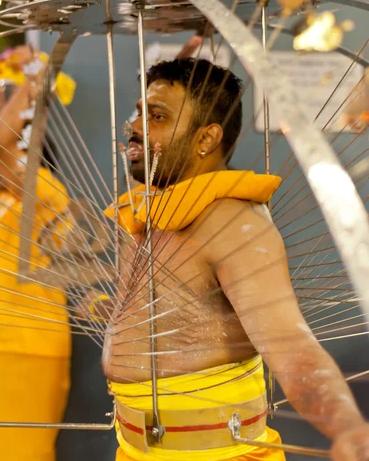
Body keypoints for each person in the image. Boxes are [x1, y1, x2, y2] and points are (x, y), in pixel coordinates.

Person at [102, 58, 369, 461]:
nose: (135, 127)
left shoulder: (231, 223)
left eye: (157, 116)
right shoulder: (149, 212)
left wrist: (347, 427)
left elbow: (294, 348)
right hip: (135, 448)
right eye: (139, 112)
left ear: (206, 139)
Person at [0, 47, 72, 461]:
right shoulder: (8, 198)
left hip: (27, 346)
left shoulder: (44, 192)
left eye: (8, 160)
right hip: (1, 340)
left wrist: (36, 78)